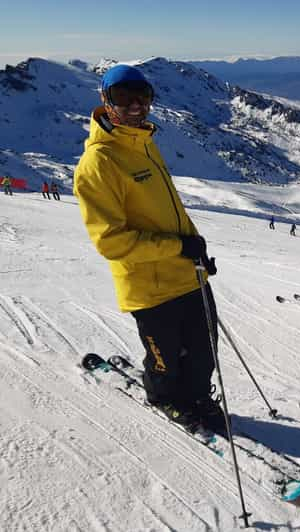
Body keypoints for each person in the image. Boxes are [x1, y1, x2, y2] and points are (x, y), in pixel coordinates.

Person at [73, 64, 224, 434]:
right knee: (165, 360)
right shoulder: (98, 163)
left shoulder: (143, 142)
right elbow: (111, 241)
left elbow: (167, 211)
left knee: (204, 353)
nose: (136, 106)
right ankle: (165, 398)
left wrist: (195, 247)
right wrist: (178, 248)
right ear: (105, 102)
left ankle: (198, 397)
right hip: (150, 289)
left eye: (143, 97)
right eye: (124, 98)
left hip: (187, 276)